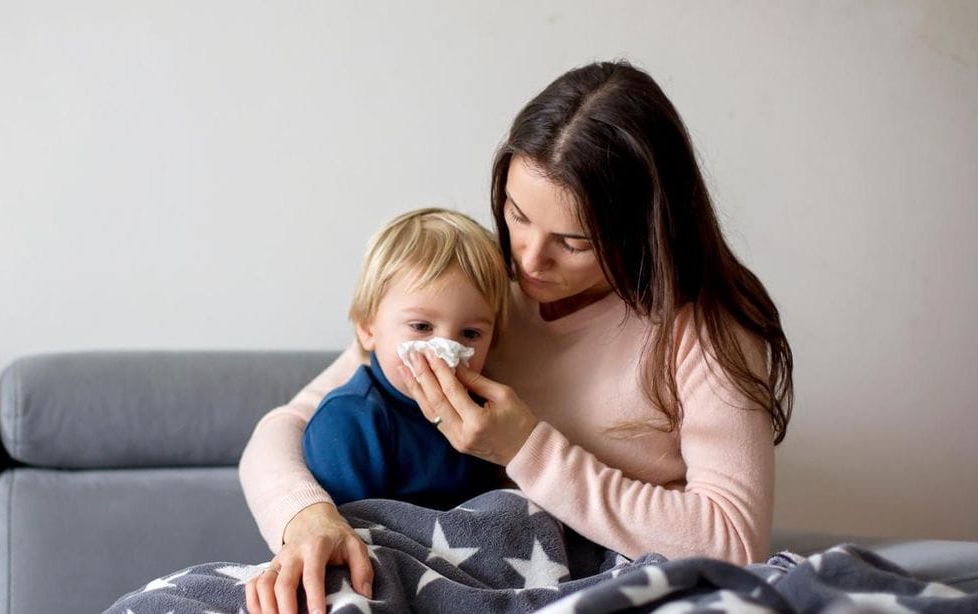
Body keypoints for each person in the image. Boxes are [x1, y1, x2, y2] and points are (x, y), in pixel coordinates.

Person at [241, 60, 793, 614]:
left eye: (574, 242)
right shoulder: (475, 291)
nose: (528, 259)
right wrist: (306, 516)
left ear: (645, 230)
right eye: (516, 214)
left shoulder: (705, 332)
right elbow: (284, 428)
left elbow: (734, 543)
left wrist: (525, 448)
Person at [302, 207, 507, 509]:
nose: (445, 350)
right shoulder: (351, 420)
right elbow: (352, 536)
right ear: (367, 328)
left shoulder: (483, 417)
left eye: (470, 334)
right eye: (422, 327)